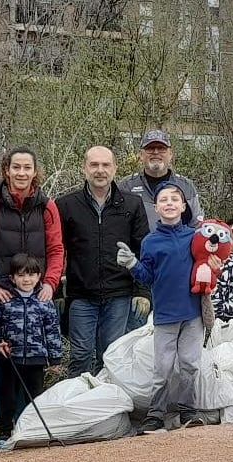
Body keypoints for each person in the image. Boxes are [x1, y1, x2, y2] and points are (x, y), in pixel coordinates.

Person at [116, 181, 221, 434]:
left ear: (184, 206)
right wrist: (131, 263)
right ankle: (155, 414)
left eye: (175, 199)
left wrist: (216, 265)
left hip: (193, 313)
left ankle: (188, 409)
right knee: (162, 368)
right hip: (164, 315)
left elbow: (211, 261)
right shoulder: (150, 242)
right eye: (164, 200)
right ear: (156, 207)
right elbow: (147, 277)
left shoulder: (196, 237)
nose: (170, 203)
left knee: (190, 363)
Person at [0, 147, 64, 437]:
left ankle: (31, 428)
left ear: (35, 172)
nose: (21, 173)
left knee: (32, 372)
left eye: (27, 168)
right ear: (6, 171)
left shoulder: (46, 206)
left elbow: (56, 248)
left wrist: (50, 283)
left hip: (36, 294)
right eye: (16, 168)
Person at [56, 146, 149, 377]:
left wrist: (142, 291)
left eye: (106, 165)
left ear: (115, 168)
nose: (100, 170)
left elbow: (144, 251)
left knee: (110, 357)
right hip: (81, 296)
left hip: (119, 294)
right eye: (94, 165)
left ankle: (106, 408)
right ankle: (77, 408)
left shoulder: (132, 204)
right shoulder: (66, 205)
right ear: (84, 169)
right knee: (80, 356)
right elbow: (56, 251)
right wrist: (56, 291)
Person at [0, 254, 64, 442]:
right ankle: (4, 430)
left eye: (31, 275)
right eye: (21, 275)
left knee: (34, 397)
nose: (26, 280)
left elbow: (52, 330)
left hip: (36, 357)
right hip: (10, 358)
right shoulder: (3, 299)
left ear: (38, 277)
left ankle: (34, 429)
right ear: (12, 278)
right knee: (8, 396)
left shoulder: (44, 300)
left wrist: (55, 358)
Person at [119, 129, 204, 232]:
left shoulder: (186, 186)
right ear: (141, 155)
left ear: (171, 154)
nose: (155, 152)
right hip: (138, 248)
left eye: (161, 148)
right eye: (150, 148)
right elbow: (117, 224)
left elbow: (197, 227)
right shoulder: (126, 186)